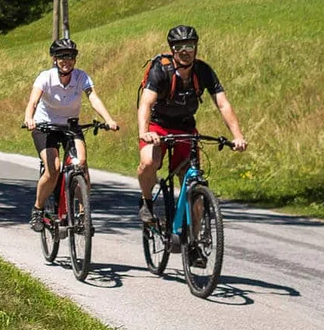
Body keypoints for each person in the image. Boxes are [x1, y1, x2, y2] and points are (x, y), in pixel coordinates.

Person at [136, 24, 246, 225]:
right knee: (148, 163)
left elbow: (223, 104)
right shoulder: (161, 69)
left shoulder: (203, 71)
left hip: (185, 129)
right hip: (157, 126)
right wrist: (144, 132)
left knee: (192, 184)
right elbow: (146, 103)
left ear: (196, 47)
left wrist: (237, 136)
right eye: (179, 47)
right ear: (172, 50)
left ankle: (194, 247)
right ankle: (147, 201)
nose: (185, 51)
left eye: (189, 45)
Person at [22, 37, 119, 229]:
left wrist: (109, 119)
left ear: (75, 59)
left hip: (70, 127)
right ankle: (38, 210)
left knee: (81, 164)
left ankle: (84, 214)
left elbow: (94, 98)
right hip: (45, 127)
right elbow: (33, 101)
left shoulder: (81, 77)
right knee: (54, 169)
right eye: (62, 57)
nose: (66, 61)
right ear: (54, 59)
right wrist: (29, 118)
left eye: (71, 57)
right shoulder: (45, 77)